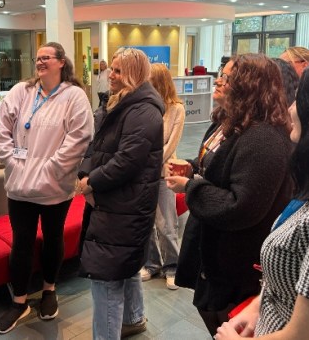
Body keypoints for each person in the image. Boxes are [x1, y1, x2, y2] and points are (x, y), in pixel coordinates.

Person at [165, 54, 292, 337]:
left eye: (228, 77)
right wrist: (193, 167)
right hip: (214, 250)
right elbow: (218, 166)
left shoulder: (263, 138)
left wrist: (190, 186)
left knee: (226, 321)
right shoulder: (230, 122)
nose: (219, 81)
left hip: (236, 263)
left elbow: (240, 206)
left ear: (249, 86)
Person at [0, 42, 93, 334]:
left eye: (46, 57)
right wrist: (12, 163)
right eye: (37, 58)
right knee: (21, 242)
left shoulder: (74, 96)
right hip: (19, 185)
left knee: (53, 238)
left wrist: (49, 170)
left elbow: (79, 138)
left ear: (61, 62)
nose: (40, 62)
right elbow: (2, 130)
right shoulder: (20, 92)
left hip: (54, 187)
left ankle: (49, 290)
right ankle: (19, 301)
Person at [215, 68, 309, 339]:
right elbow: (290, 285)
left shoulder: (263, 139)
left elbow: (300, 333)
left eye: (298, 100)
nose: (290, 108)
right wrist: (259, 305)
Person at [78, 47, 164, 339]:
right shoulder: (118, 102)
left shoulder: (144, 110)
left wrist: (92, 182)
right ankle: (134, 318)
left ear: (135, 74)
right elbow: (95, 145)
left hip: (126, 204)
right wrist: (84, 174)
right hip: (115, 201)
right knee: (123, 265)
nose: (110, 75)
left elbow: (127, 161)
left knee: (106, 277)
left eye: (118, 71)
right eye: (111, 69)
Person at [140, 63, 185, 290]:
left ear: (159, 82)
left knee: (167, 224)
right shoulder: (145, 107)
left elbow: (170, 145)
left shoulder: (177, 109)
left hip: (163, 174)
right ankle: (152, 264)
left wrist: (149, 161)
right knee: (146, 223)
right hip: (142, 174)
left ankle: (173, 267)